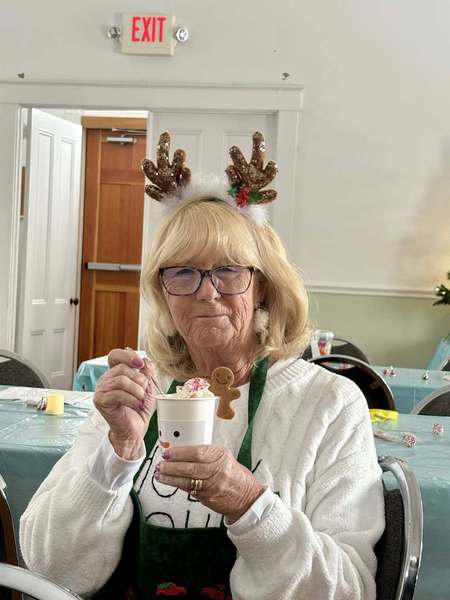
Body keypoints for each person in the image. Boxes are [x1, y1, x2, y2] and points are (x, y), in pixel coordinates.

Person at [20, 132, 384, 600]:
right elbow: (48, 570)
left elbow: (350, 589)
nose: (207, 292)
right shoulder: (139, 394)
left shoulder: (328, 404)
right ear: (163, 291)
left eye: (229, 270)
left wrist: (249, 503)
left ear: (263, 286)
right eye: (183, 272)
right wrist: (116, 453)